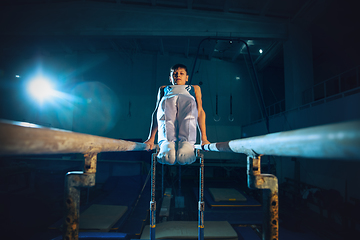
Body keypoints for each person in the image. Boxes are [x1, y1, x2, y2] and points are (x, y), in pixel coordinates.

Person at [144, 63, 210, 165]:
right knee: (165, 107)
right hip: (167, 104)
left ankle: (187, 143)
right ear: (170, 78)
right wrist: (151, 138)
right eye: (174, 74)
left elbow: (200, 112)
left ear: (186, 77)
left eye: (181, 73)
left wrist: (204, 138)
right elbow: (157, 113)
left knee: (189, 108)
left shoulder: (194, 88)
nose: (178, 75)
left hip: (188, 107)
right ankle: (167, 142)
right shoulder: (163, 89)